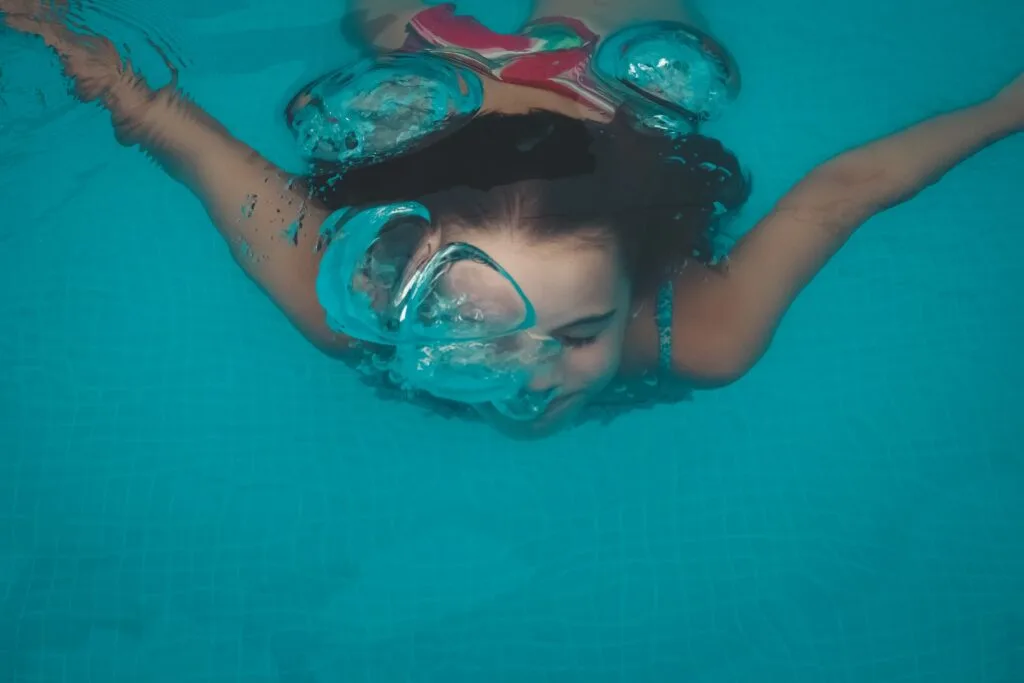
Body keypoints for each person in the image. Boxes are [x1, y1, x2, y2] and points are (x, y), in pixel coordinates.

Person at [2, 1, 1021, 439]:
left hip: (565, 86)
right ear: (405, 274)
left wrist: (1003, 107)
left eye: (580, 331)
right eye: (486, 324)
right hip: (480, 106)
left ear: (640, 288)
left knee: (390, 43)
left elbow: (175, 131)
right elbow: (840, 186)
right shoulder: (363, 296)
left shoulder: (700, 326)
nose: (535, 370)